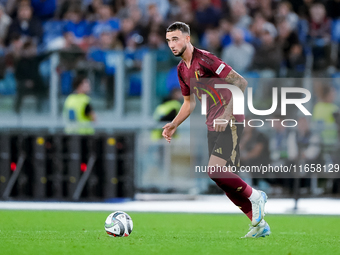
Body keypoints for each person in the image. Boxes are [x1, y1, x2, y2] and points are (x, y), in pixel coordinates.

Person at [163, 21, 270, 238]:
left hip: (230, 117)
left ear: (187, 38)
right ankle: (258, 224)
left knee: (215, 170)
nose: (172, 45)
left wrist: (225, 114)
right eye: (168, 41)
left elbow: (240, 82)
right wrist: (174, 124)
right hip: (213, 122)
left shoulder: (206, 59)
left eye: (175, 39)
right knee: (219, 177)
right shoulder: (182, 69)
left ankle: (256, 196)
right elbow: (189, 103)